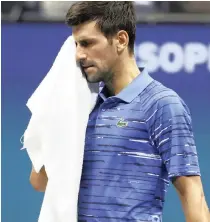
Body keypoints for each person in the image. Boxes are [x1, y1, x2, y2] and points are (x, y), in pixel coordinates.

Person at [30, 2, 210, 222]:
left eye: (87, 43)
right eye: (76, 45)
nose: (78, 55)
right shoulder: (80, 107)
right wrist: (57, 117)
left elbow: (192, 194)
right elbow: (40, 181)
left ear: (121, 40)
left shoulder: (163, 104)